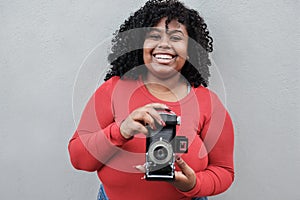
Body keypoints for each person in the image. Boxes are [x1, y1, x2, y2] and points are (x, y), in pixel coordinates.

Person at [68, 0, 234, 199]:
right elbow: (79, 159)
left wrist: (193, 185)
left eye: (176, 37)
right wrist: (120, 131)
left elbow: (224, 171)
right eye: (154, 36)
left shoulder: (209, 104)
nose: (164, 44)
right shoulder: (112, 90)